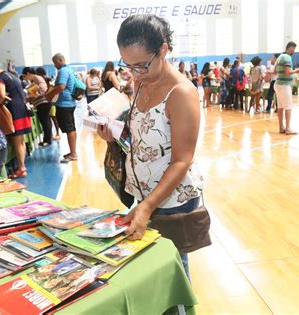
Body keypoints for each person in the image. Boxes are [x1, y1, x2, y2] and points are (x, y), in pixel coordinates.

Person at [97, 14, 203, 278]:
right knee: (153, 267)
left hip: (172, 199)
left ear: (163, 49)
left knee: (173, 269)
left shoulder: (181, 93)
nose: (134, 74)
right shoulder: (140, 80)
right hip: (146, 194)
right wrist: (115, 134)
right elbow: (141, 135)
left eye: (141, 65)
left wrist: (147, 206)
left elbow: (182, 160)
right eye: (128, 66)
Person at [0, 61, 32, 178]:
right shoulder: (10, 75)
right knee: (21, 141)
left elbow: (2, 94)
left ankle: (21, 168)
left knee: (17, 142)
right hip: (22, 108)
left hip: (14, 111)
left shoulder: (0, 78)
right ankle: (22, 166)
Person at [46, 53, 77, 163]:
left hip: (64, 104)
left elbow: (61, 86)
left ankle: (73, 154)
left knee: (69, 129)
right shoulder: (69, 70)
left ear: (60, 60)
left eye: (55, 63)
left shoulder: (63, 71)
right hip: (70, 102)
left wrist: (50, 94)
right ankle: (73, 152)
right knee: (71, 128)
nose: (55, 65)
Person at [274, 41, 299, 135]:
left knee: (280, 107)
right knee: (288, 107)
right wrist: (297, 71)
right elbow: (287, 72)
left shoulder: (279, 57)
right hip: (284, 85)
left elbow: (274, 71)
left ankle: (281, 127)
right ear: (290, 48)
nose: (294, 51)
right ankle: (288, 128)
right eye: (294, 49)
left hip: (278, 84)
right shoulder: (287, 57)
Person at [23, 67, 52, 147]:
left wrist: (31, 96)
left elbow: (43, 91)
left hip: (43, 103)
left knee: (45, 122)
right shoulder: (35, 79)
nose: (26, 78)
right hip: (41, 103)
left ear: (28, 73)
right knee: (46, 121)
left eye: (25, 76)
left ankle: (47, 140)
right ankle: (48, 138)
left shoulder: (38, 79)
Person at [35, 67, 61, 141]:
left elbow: (51, 90)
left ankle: (57, 133)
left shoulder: (46, 80)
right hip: (49, 102)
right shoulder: (40, 81)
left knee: (53, 117)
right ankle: (52, 134)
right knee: (49, 119)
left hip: (51, 102)